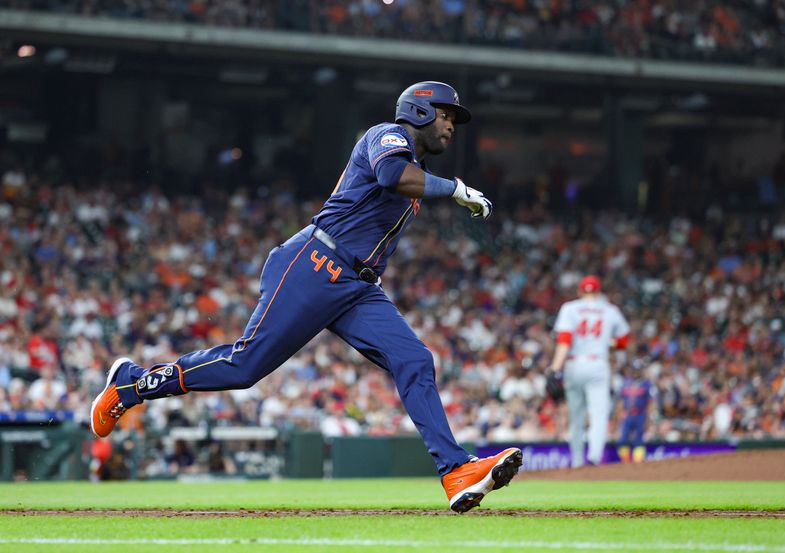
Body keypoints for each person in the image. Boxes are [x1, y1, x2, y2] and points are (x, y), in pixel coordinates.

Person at [91, 81, 522, 513]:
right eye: (446, 114)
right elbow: (393, 176)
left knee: (414, 359)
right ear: (421, 112)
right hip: (316, 262)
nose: (451, 125)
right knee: (244, 367)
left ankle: (455, 470)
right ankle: (133, 383)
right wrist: (456, 189)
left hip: (358, 285)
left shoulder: (415, 167)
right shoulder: (387, 135)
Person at [547, 275, 630, 468]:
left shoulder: (570, 308)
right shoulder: (609, 310)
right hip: (597, 364)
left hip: (574, 364)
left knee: (576, 416)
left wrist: (554, 369)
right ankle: (594, 457)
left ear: (580, 291)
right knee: (599, 413)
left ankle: (576, 462)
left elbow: (565, 341)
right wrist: (608, 343)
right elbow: (624, 340)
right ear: (599, 292)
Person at [617, 363, 653, 463]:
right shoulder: (626, 383)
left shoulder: (646, 384)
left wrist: (648, 418)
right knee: (622, 440)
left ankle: (638, 464)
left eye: (638, 370)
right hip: (627, 414)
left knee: (638, 440)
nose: (636, 372)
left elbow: (650, 403)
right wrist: (619, 415)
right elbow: (620, 401)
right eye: (634, 370)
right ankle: (626, 462)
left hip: (640, 414)